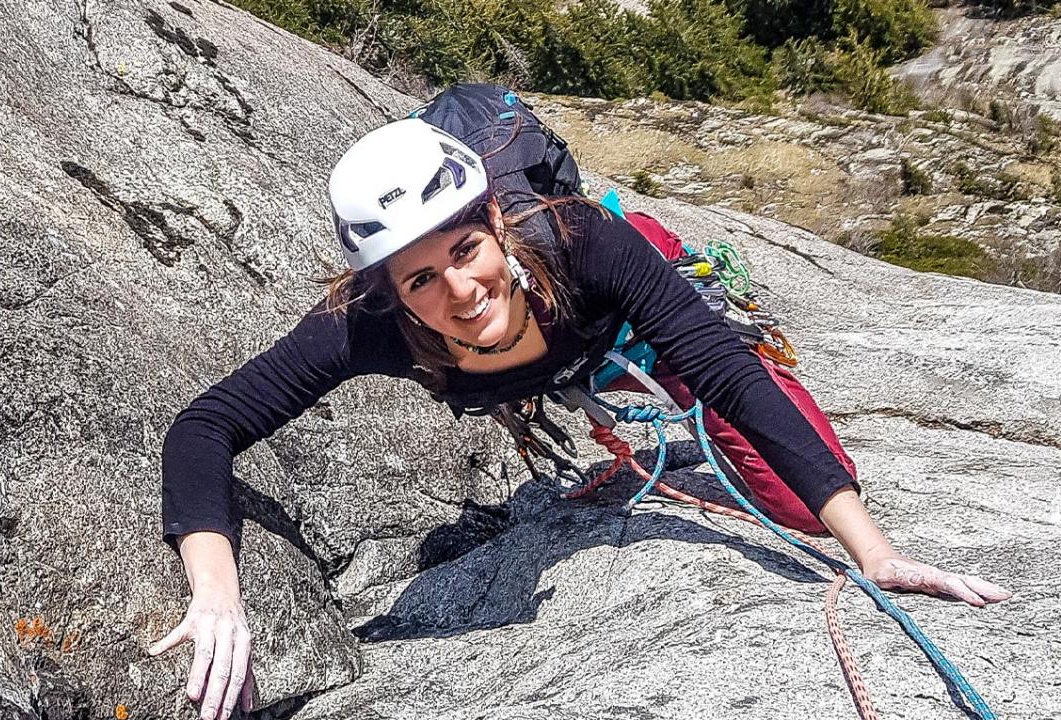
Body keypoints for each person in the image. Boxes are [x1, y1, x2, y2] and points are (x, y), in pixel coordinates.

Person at [148, 118, 1012, 720]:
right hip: (547, 358)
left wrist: (876, 553)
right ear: (391, 294)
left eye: (465, 251)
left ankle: (674, 264)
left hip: (614, 315)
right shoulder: (366, 328)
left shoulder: (582, 241)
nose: (458, 290)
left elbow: (725, 376)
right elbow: (205, 426)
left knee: (795, 503)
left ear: (495, 222)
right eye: (420, 281)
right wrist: (218, 594)